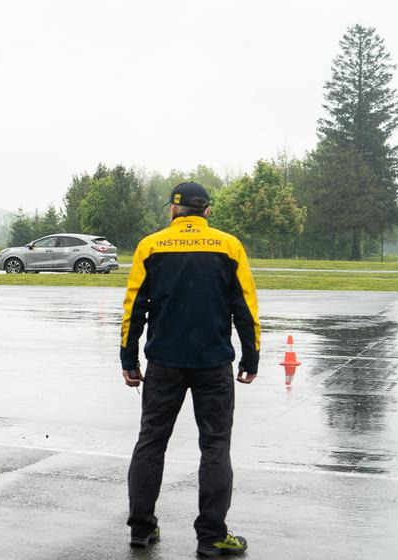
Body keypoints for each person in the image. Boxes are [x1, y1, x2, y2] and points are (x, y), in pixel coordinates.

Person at [119, 182, 260, 557]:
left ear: (173, 210)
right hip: (213, 363)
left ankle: (141, 529)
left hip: (163, 362)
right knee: (215, 446)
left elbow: (134, 307)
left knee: (151, 442)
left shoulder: (151, 246)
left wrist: (128, 359)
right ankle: (212, 536)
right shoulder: (228, 246)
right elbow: (245, 305)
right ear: (207, 212)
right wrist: (251, 356)